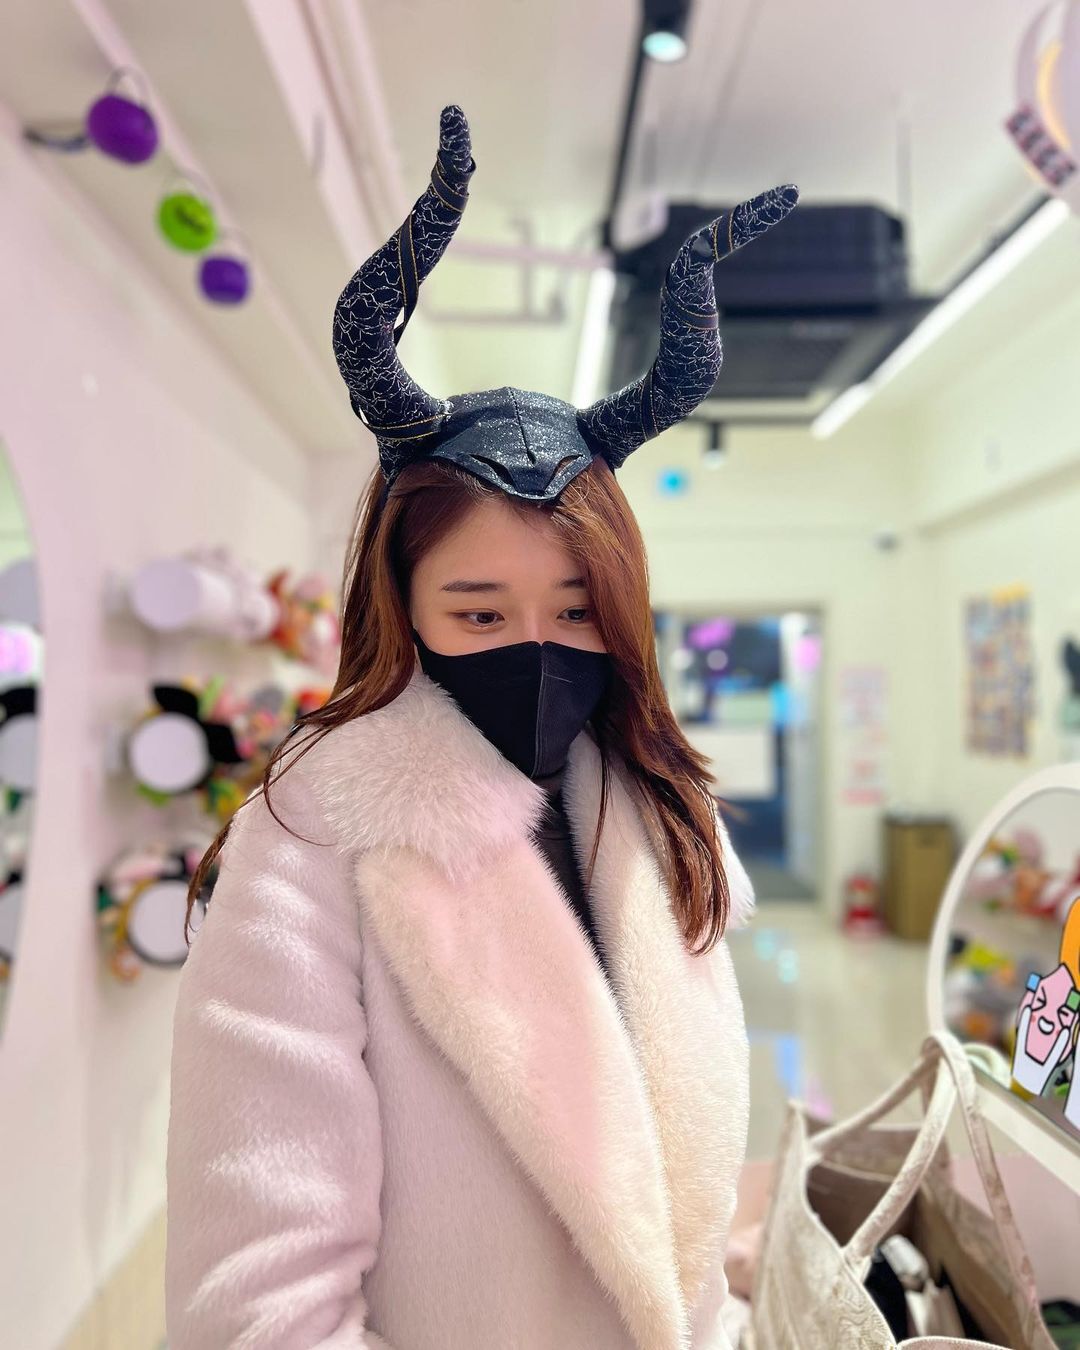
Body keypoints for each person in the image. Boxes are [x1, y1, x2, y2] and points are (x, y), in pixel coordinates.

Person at [165, 104, 798, 1350]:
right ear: (400, 607)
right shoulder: (309, 845)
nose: (540, 647)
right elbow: (258, 1307)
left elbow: (669, 1198)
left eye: (577, 608)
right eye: (479, 611)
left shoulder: (664, 815)